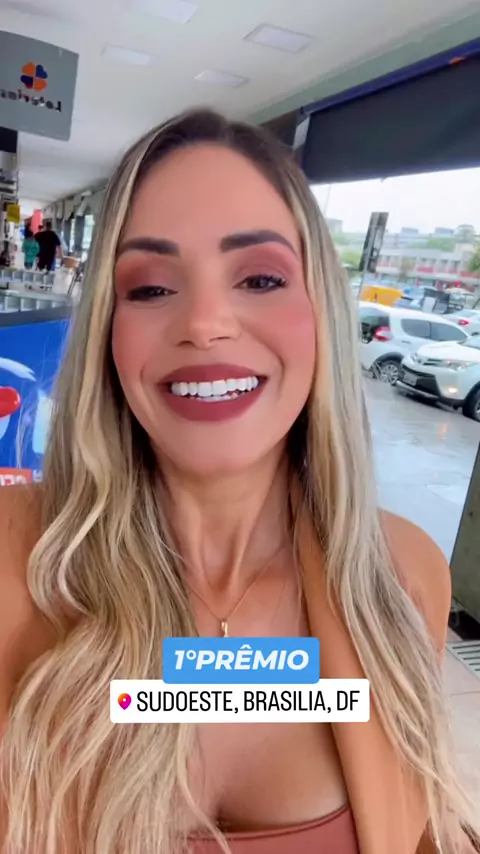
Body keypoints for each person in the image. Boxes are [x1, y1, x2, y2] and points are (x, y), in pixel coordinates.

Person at [0, 110, 478, 854]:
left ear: (320, 311)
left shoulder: (404, 573)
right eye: (151, 288)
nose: (206, 323)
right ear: (107, 332)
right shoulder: (12, 555)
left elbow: (417, 821)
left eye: (260, 278)